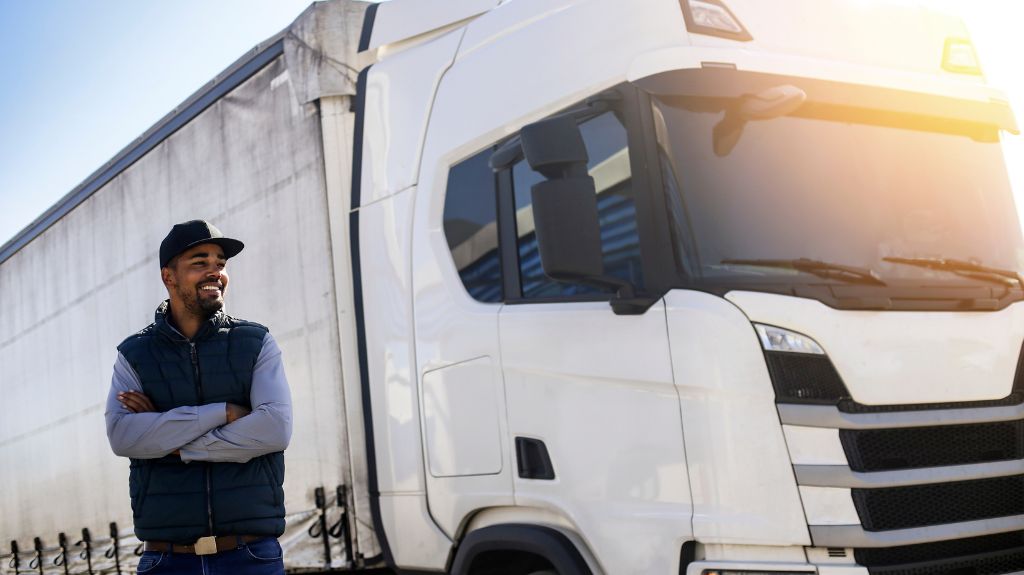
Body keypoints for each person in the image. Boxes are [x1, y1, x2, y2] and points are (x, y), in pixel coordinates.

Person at [104, 219, 292, 575]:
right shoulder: (134, 354)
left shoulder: (256, 342)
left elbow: (275, 429)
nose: (214, 272)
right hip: (166, 560)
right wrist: (223, 412)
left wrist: (171, 439)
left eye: (220, 264)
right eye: (199, 263)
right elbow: (123, 436)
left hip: (251, 557)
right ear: (168, 276)